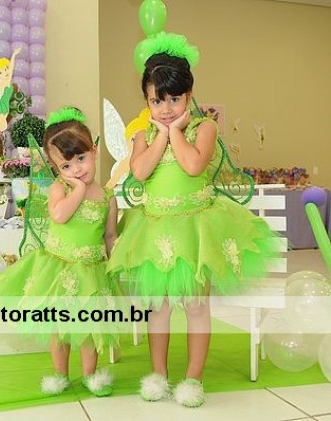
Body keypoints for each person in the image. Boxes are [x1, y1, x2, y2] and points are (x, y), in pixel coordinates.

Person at [107, 42, 277, 407]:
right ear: (146, 101)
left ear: (189, 94)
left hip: (195, 230)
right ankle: (158, 375)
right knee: (158, 306)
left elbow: (194, 165)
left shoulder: (204, 128)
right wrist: (161, 135)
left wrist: (176, 133)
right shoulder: (143, 134)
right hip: (154, 230)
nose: (166, 109)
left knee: (196, 305)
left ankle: (193, 378)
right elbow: (140, 172)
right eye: (157, 101)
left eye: (174, 99)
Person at [0, 107, 126, 397]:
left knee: (90, 328)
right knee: (59, 328)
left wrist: (114, 264)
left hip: (91, 271)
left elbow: (109, 235)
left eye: (81, 159)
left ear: (94, 150)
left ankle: (91, 375)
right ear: (55, 168)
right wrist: (78, 191)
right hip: (59, 269)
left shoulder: (107, 197)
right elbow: (59, 216)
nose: (77, 170)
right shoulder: (59, 189)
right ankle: (60, 374)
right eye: (66, 166)